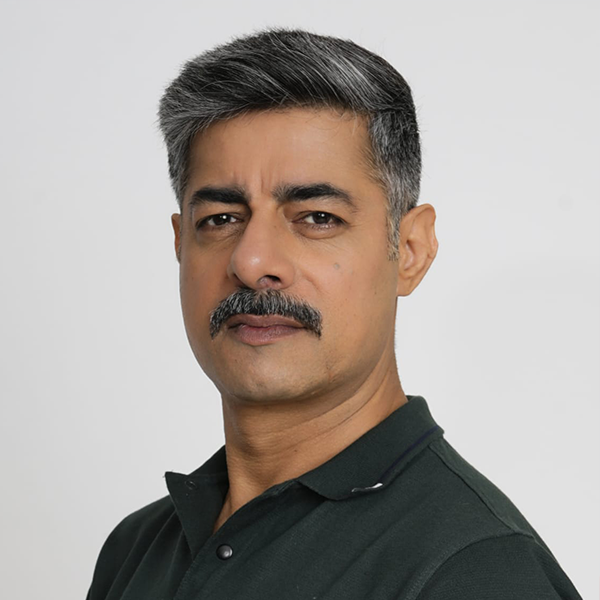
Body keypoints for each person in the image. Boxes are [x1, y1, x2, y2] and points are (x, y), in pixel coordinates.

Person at [86, 28, 583, 599]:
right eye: (220, 219)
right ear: (180, 243)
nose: (252, 262)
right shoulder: (137, 549)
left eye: (317, 218)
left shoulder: (476, 571)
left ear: (410, 250)